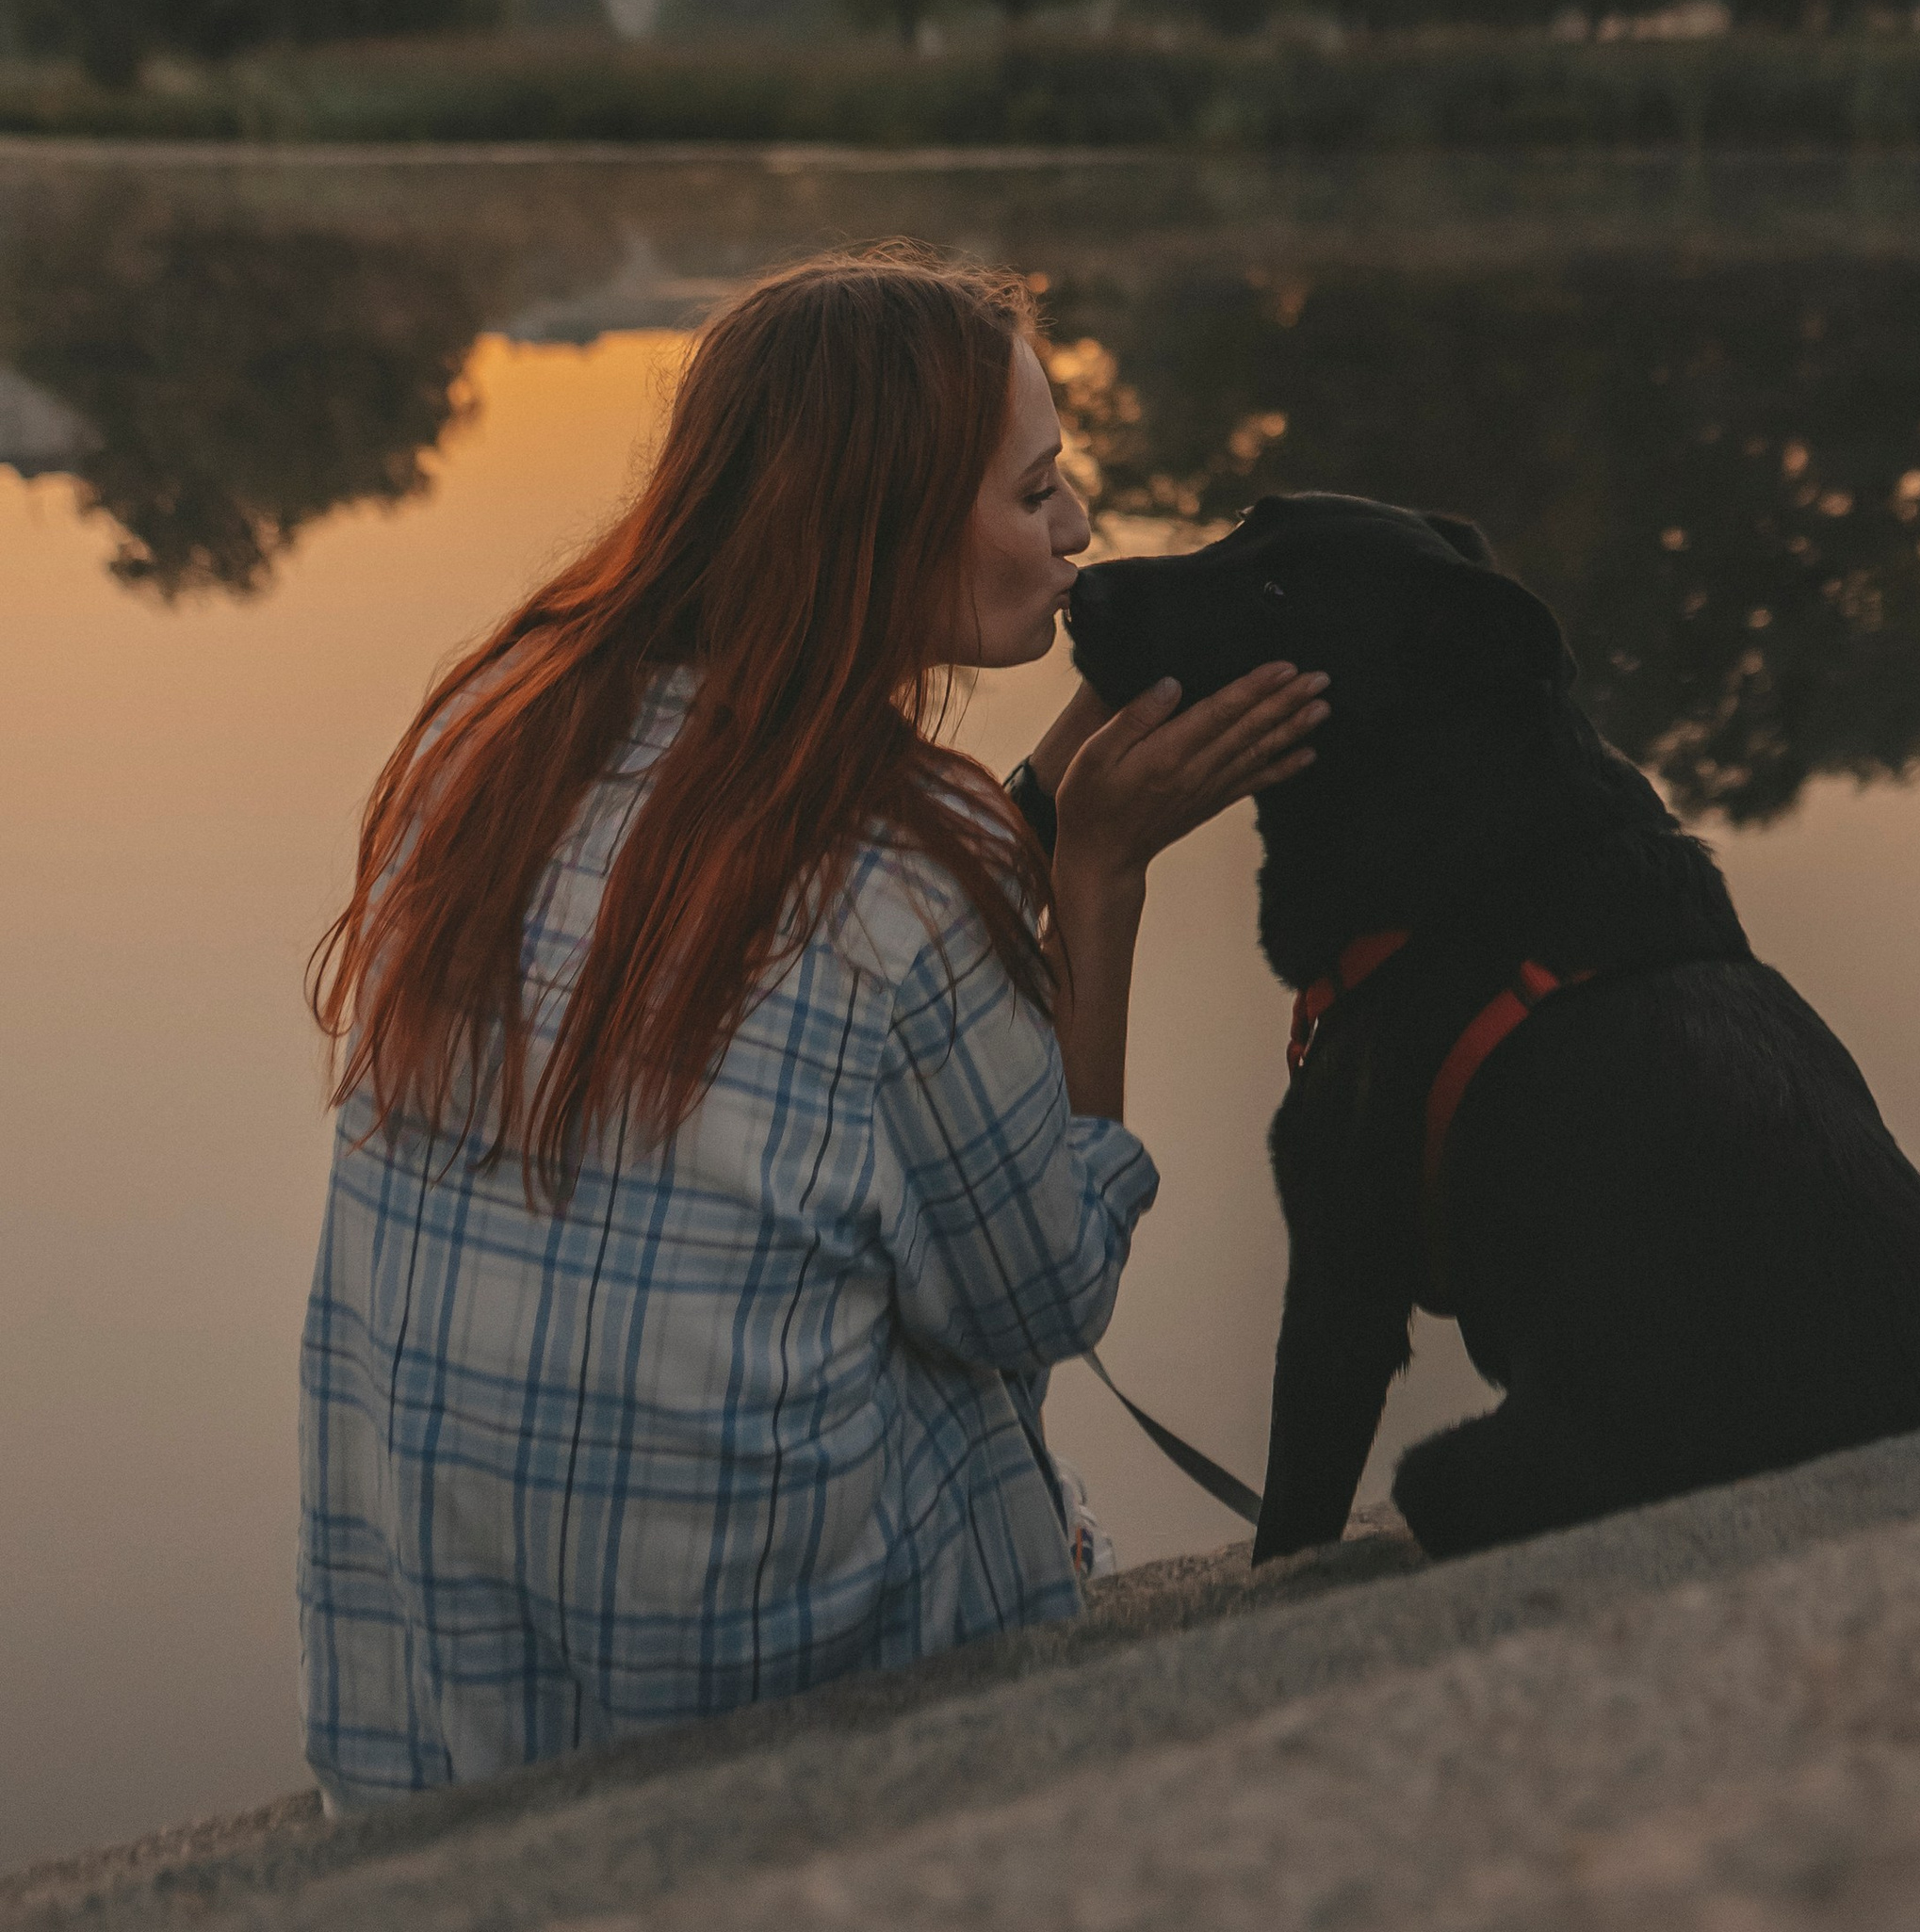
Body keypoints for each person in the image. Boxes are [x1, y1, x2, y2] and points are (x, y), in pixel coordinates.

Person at [300, 249, 1322, 1805]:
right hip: (777, 1725)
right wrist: (1097, 874)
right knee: (971, 1373)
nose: (1079, 528)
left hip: (450, 1708)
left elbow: (814, 944)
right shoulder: (914, 862)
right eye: (1035, 487)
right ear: (892, 530)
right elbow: (1041, 1294)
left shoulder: (490, 727)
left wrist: (1032, 812)